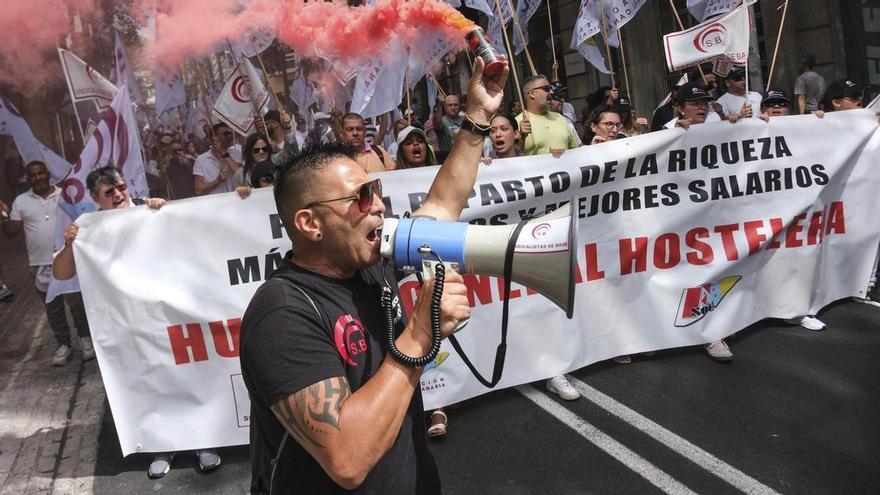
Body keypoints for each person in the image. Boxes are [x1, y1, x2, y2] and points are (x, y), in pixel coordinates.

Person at [239, 56, 507, 494]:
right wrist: (420, 334)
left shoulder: (371, 262)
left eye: (377, 190)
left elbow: (443, 204)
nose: (379, 205)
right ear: (310, 223)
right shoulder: (281, 315)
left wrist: (478, 116)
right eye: (362, 196)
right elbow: (347, 459)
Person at [51, 166, 222, 478]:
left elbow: (193, 238)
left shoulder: (150, 209)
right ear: (94, 198)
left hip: (171, 313)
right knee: (151, 382)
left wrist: (164, 212)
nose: (117, 195)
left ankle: (204, 442)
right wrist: (69, 244)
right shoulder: (86, 228)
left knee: (188, 375)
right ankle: (163, 447)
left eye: (119, 187)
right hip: (128, 322)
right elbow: (61, 274)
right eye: (108, 192)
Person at [1, 161, 93, 365]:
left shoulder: (66, 194)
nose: (38, 178)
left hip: (68, 259)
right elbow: (11, 232)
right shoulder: (20, 201)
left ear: (48, 173)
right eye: (33, 175)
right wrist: (4, 215)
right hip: (39, 264)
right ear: (28, 178)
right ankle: (64, 345)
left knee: (76, 304)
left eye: (41, 173)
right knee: (52, 308)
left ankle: (86, 340)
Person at [516, 74, 581, 159]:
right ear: (532, 93)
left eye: (550, 88)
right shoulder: (517, 123)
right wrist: (521, 138)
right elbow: (511, 159)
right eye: (546, 89)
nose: (551, 92)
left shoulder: (561, 118)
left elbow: (577, 151)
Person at [193, 123, 242, 196]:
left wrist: (223, 153)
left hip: (234, 199)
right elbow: (198, 190)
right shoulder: (201, 160)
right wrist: (217, 181)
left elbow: (240, 175)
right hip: (214, 203)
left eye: (230, 133)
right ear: (214, 138)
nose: (229, 136)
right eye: (225, 134)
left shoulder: (235, 152)